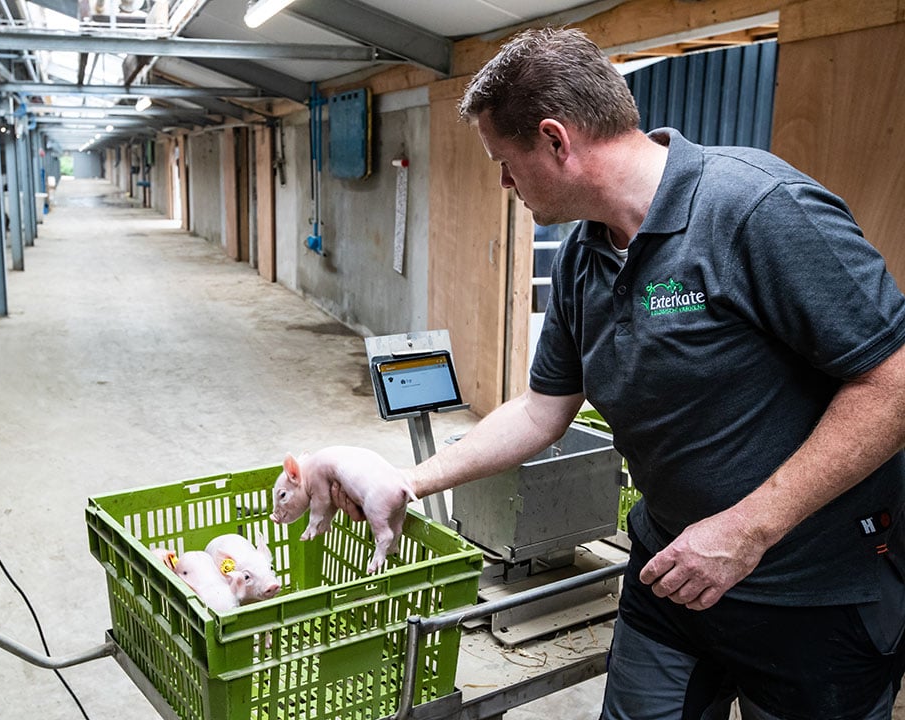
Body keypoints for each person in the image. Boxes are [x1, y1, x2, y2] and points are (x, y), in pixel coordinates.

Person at [334, 26, 905, 720]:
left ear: (554, 139)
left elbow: (892, 384)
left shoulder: (756, 209)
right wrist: (410, 481)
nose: (504, 182)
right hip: (671, 575)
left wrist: (746, 530)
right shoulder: (582, 256)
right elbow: (543, 411)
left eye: (504, 161)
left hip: (812, 594)